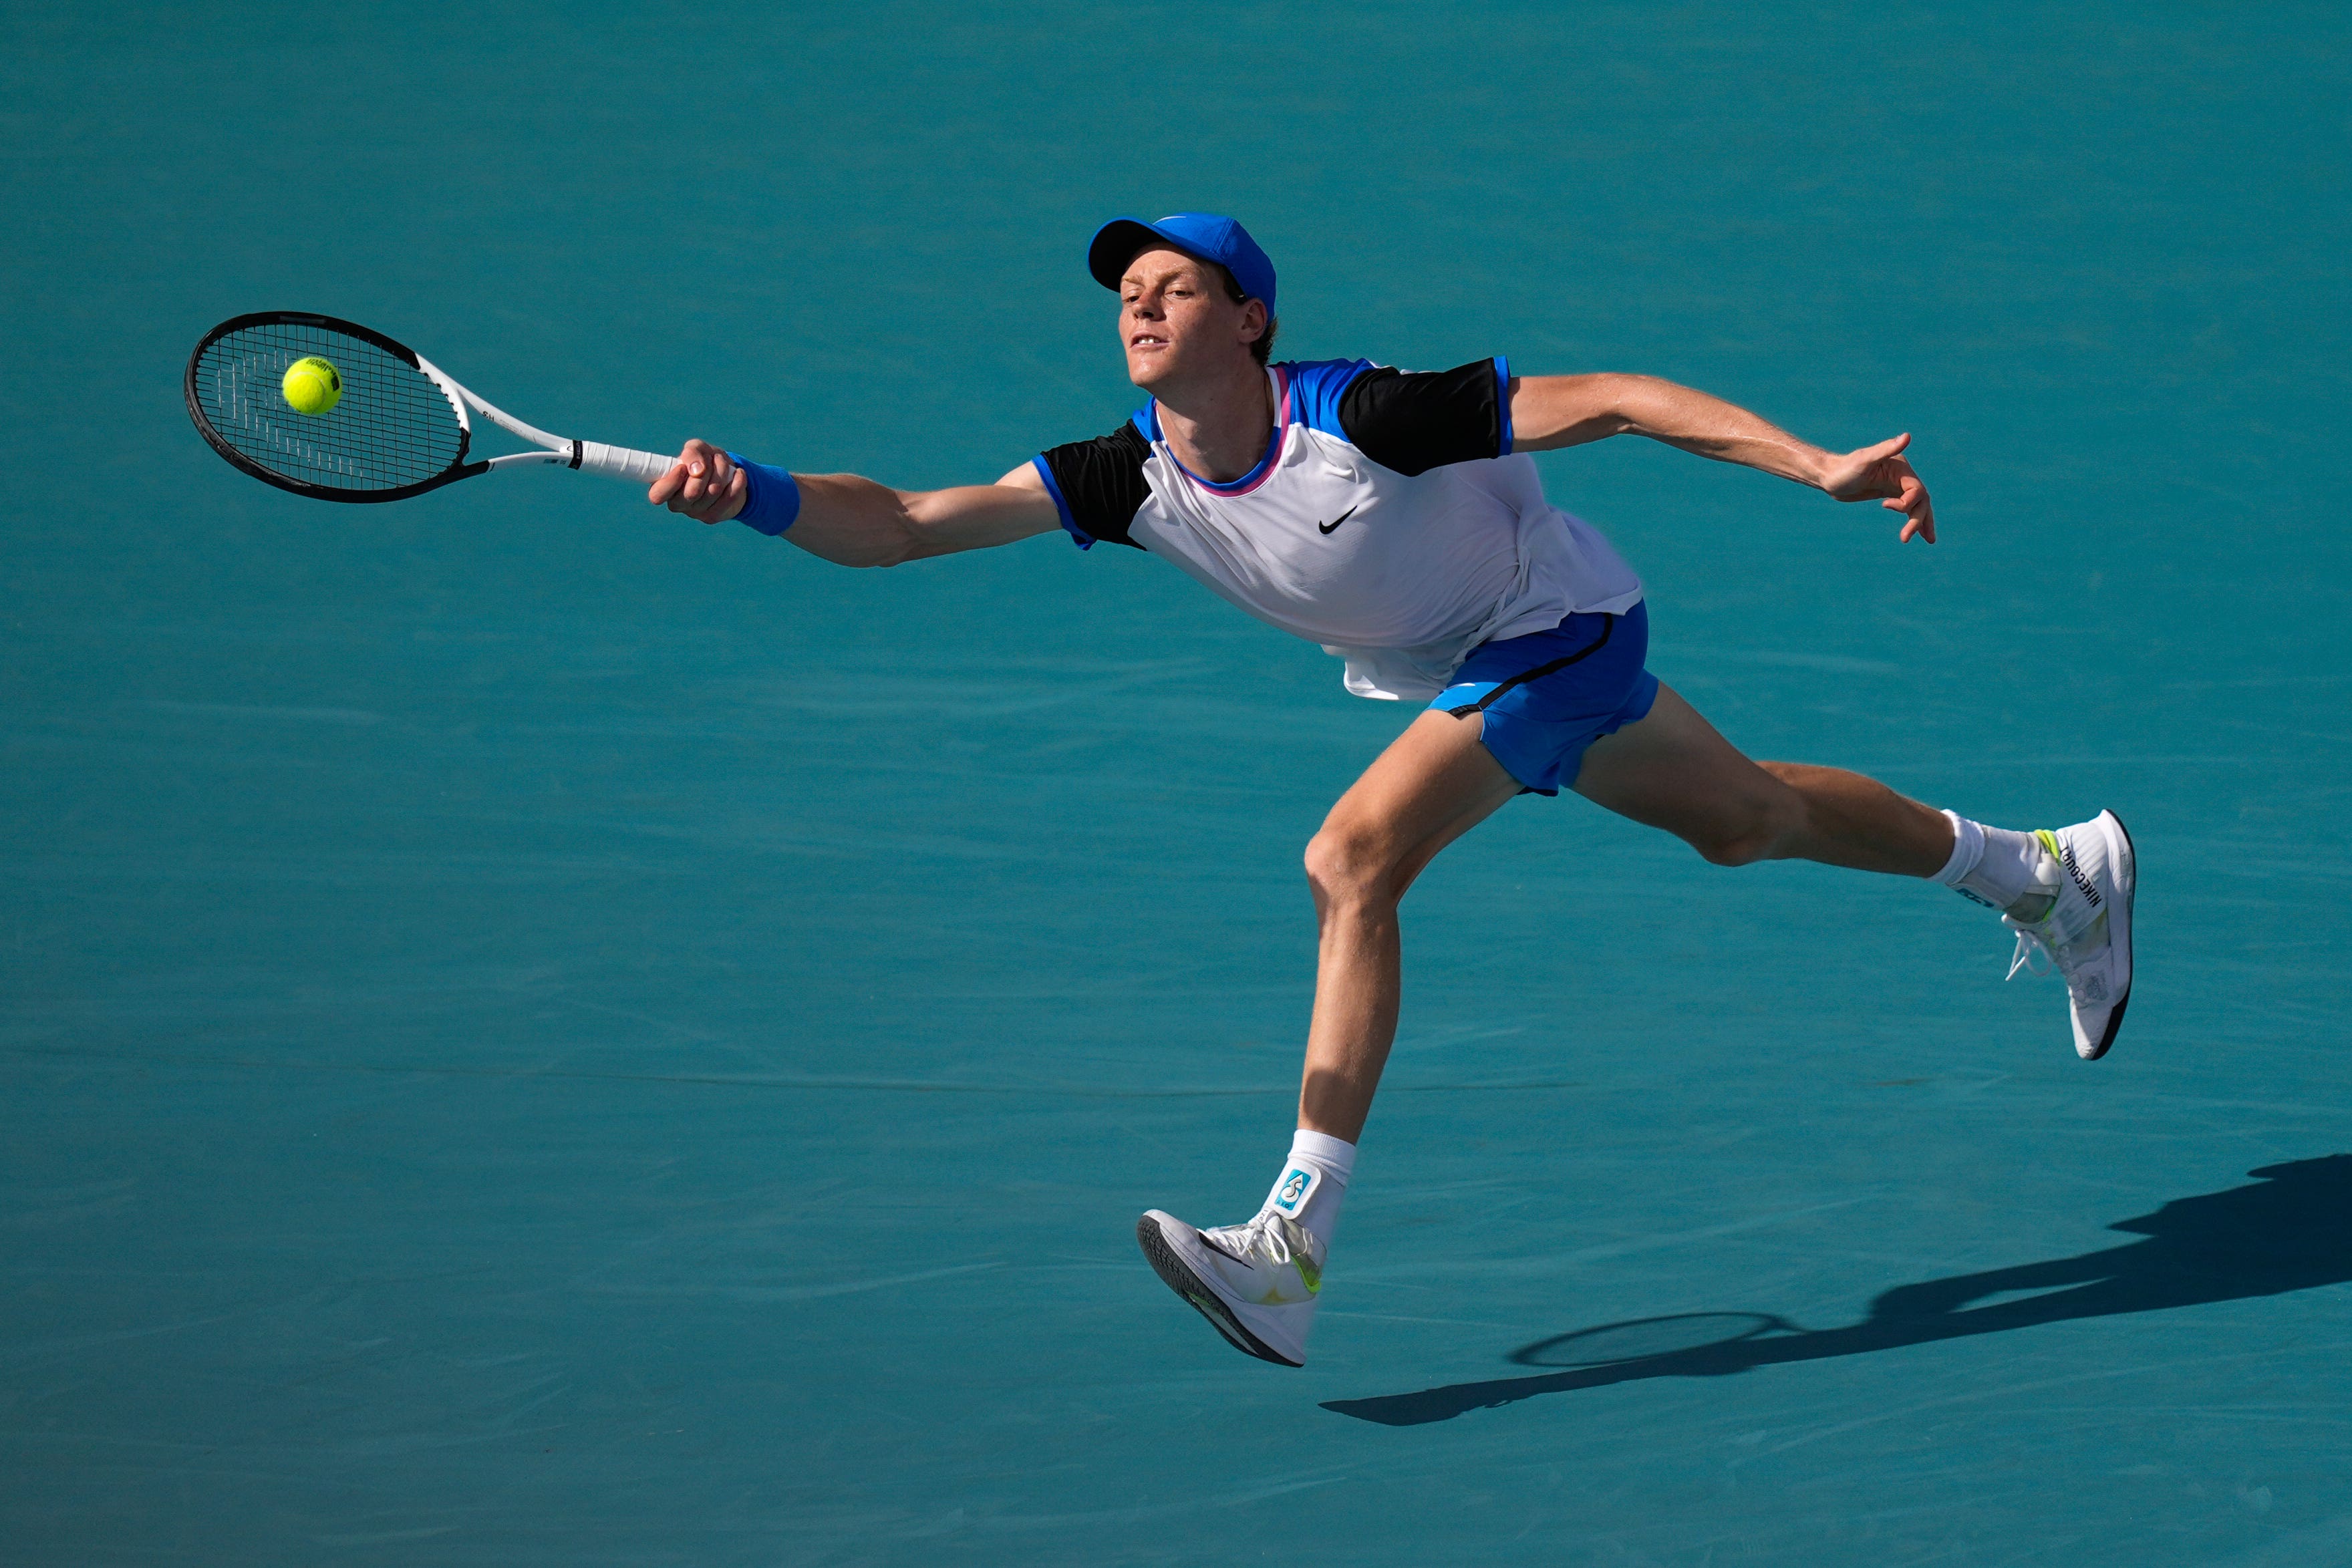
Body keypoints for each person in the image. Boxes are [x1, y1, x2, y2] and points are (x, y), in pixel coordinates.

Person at [647, 212, 2136, 1369]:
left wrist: (1811, 465)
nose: (1138, 309)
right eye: (1124, 295)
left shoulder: (1363, 414)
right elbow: (906, 522)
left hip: (1553, 632)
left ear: (1248, 319)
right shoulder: (1124, 477)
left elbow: (1609, 398)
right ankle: (2048, 871)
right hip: (1485, 662)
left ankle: (1286, 1248)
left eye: (1172, 289)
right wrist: (757, 495)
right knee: (1750, 821)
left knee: (1348, 858)